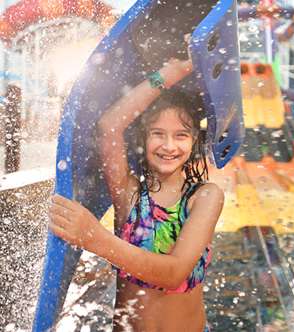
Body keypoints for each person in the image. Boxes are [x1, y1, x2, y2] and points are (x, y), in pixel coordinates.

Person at [48, 54, 224, 332]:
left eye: (181, 135)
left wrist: (94, 237)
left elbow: (174, 273)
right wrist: (169, 72)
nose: (169, 146)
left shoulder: (204, 197)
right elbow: (110, 126)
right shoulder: (128, 194)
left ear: (194, 141)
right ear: (143, 137)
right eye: (157, 133)